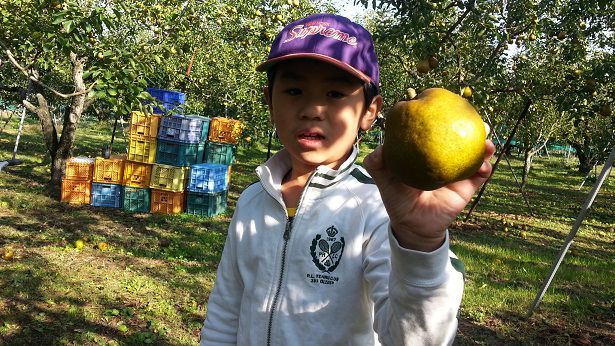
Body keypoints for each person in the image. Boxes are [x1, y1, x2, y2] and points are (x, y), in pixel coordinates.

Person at [200, 13, 495, 345]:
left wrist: (419, 242)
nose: (312, 109)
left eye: (336, 94)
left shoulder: (377, 209)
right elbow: (226, 314)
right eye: (294, 90)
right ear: (270, 101)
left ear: (369, 112)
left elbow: (414, 339)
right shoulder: (253, 201)